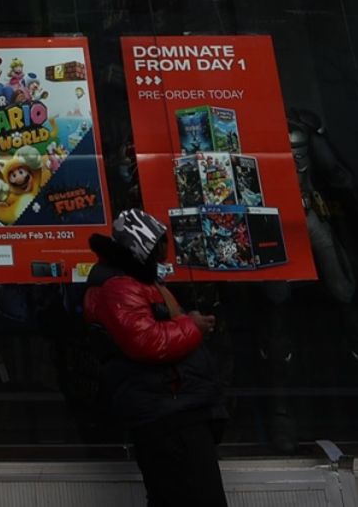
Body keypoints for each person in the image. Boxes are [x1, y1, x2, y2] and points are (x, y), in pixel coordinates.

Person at [83, 209, 229, 507]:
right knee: (192, 495)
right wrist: (193, 326)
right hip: (167, 411)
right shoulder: (119, 286)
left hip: (173, 407)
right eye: (160, 243)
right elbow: (148, 341)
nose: (165, 250)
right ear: (143, 245)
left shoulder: (135, 280)